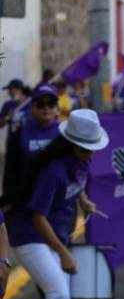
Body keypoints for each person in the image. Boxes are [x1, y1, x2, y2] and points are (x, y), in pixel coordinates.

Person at [9, 109, 107, 299]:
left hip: (54, 233)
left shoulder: (79, 162)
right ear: (73, 145)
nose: (91, 153)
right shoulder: (53, 171)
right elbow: (37, 217)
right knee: (58, 295)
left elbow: (78, 183)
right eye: (86, 149)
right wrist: (64, 254)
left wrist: (84, 201)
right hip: (30, 234)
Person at [1, 83, 62, 211]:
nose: (46, 108)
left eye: (51, 104)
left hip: (57, 203)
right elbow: (11, 170)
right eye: (41, 103)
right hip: (26, 202)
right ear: (32, 106)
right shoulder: (19, 133)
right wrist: (9, 200)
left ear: (56, 107)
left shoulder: (65, 133)